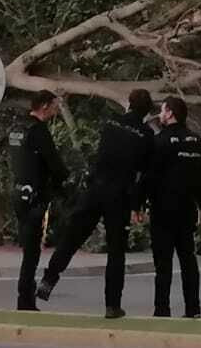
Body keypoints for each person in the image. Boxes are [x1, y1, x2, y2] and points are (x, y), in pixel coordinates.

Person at [37, 88, 154, 319]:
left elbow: (101, 153)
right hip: (120, 195)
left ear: (129, 105)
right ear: (146, 112)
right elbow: (145, 174)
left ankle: (49, 280)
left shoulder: (110, 122)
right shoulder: (146, 135)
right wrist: (138, 204)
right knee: (116, 252)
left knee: (72, 237)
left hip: (96, 188)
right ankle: (112, 305)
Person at [148, 95, 201, 318]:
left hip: (163, 209)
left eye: (163, 111)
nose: (160, 115)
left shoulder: (160, 141)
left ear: (170, 113)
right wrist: (200, 204)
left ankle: (161, 308)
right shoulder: (196, 141)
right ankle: (193, 308)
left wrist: (143, 202)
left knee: (163, 263)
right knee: (188, 259)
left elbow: (151, 176)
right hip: (187, 209)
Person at [8, 90, 67, 312]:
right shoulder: (39, 130)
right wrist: (61, 181)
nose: (55, 109)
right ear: (44, 106)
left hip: (18, 193)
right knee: (32, 251)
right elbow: (55, 164)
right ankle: (25, 300)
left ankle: (25, 297)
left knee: (28, 247)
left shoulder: (17, 128)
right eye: (53, 105)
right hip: (35, 196)